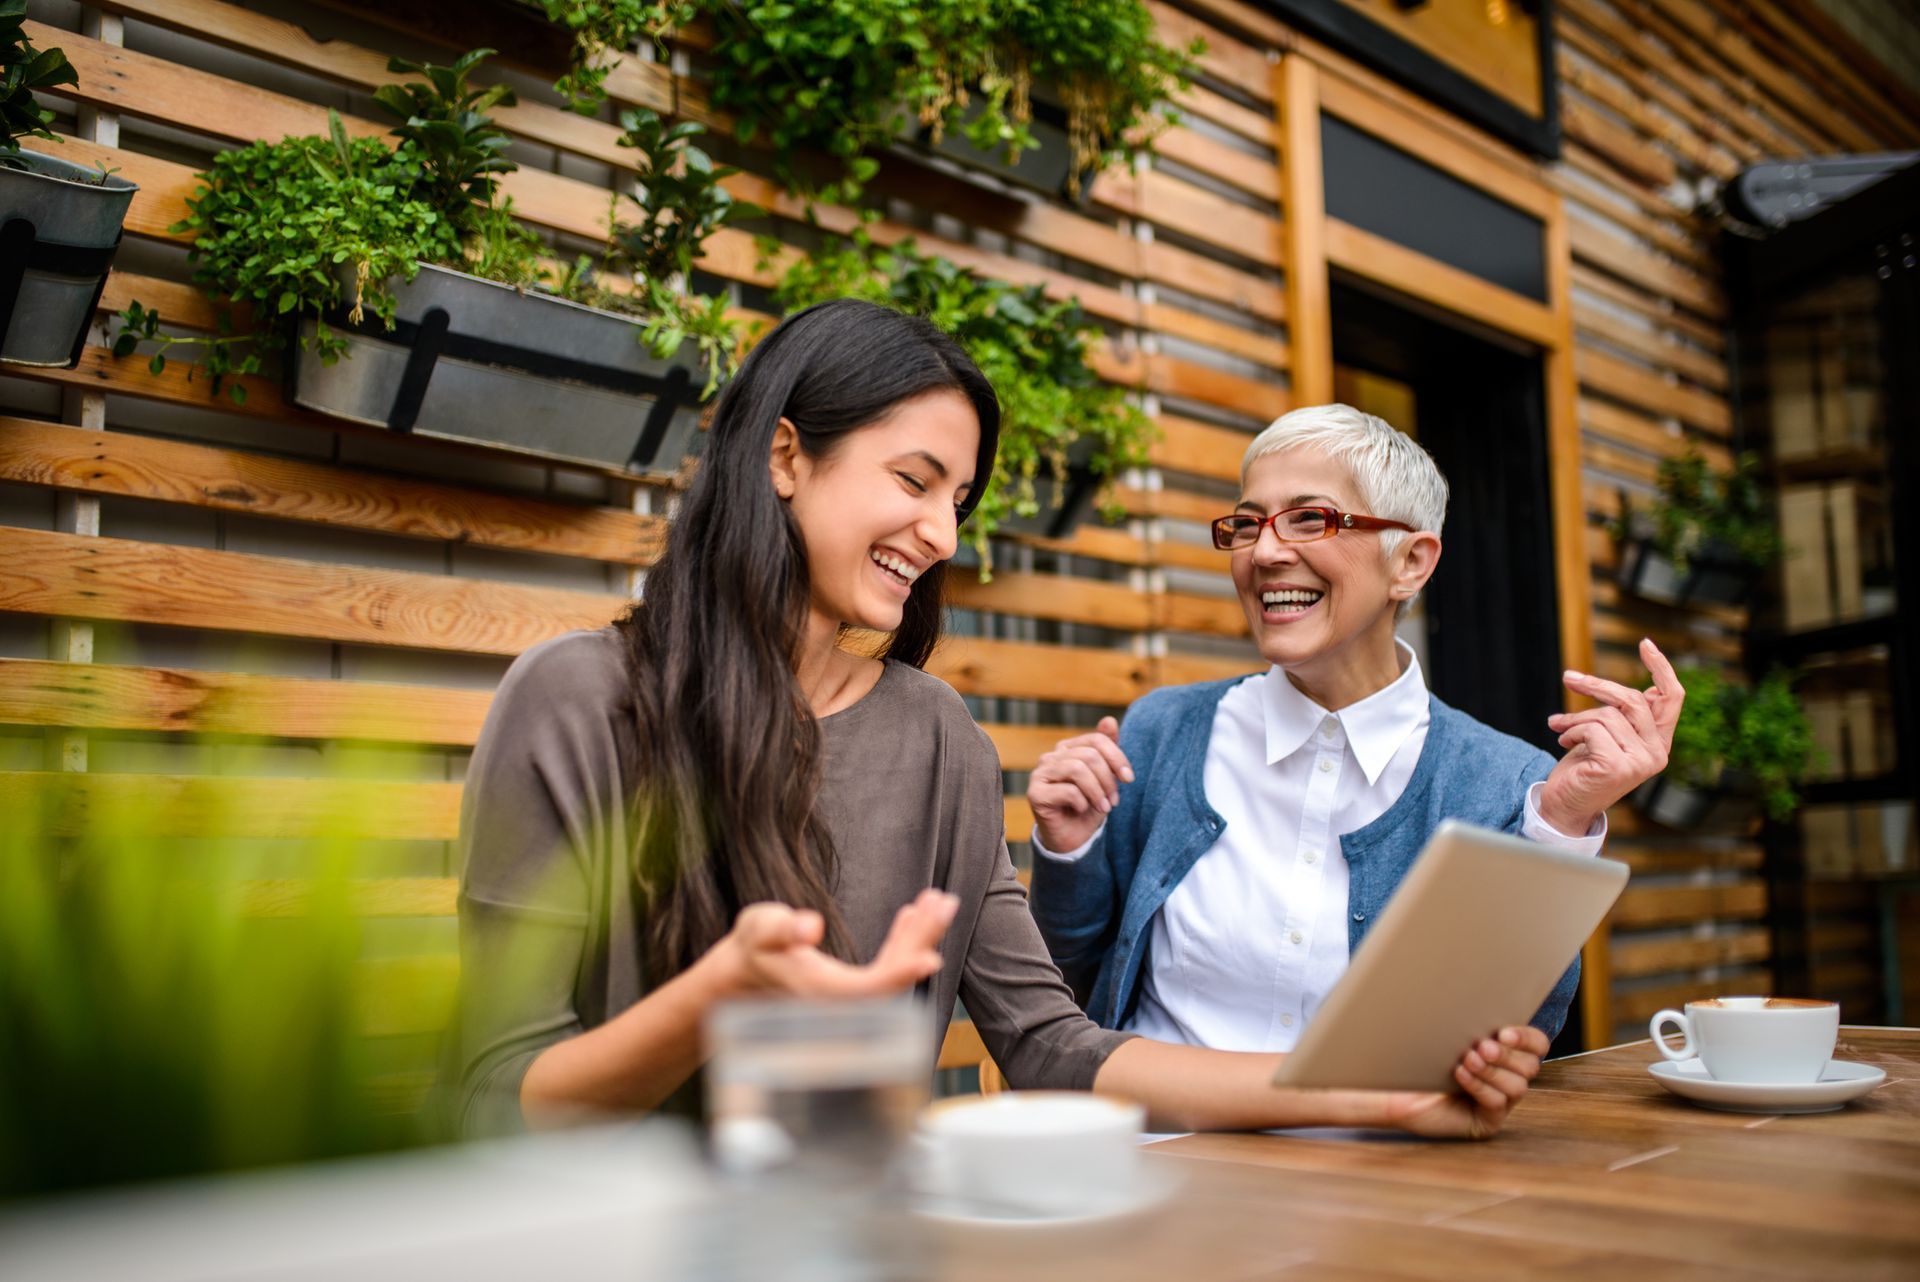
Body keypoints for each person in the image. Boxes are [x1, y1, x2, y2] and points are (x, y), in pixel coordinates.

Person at [449, 305, 1546, 1143]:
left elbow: (1053, 1044)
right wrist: (717, 995)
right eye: (915, 480)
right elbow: (500, 1096)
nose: (940, 534)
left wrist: (1387, 1095)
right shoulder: (581, 700)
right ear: (786, 457)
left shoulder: (939, 738)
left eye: (959, 500)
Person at [1027, 403, 1683, 1055]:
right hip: (1163, 1146)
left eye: (1310, 519)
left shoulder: (1509, 785)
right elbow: (1069, 989)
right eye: (1248, 524)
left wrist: (1560, 827)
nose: (1266, 551)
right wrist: (1069, 851)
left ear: (1412, 564)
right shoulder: (1163, 731)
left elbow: (1514, 1034)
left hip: (1374, 1158)